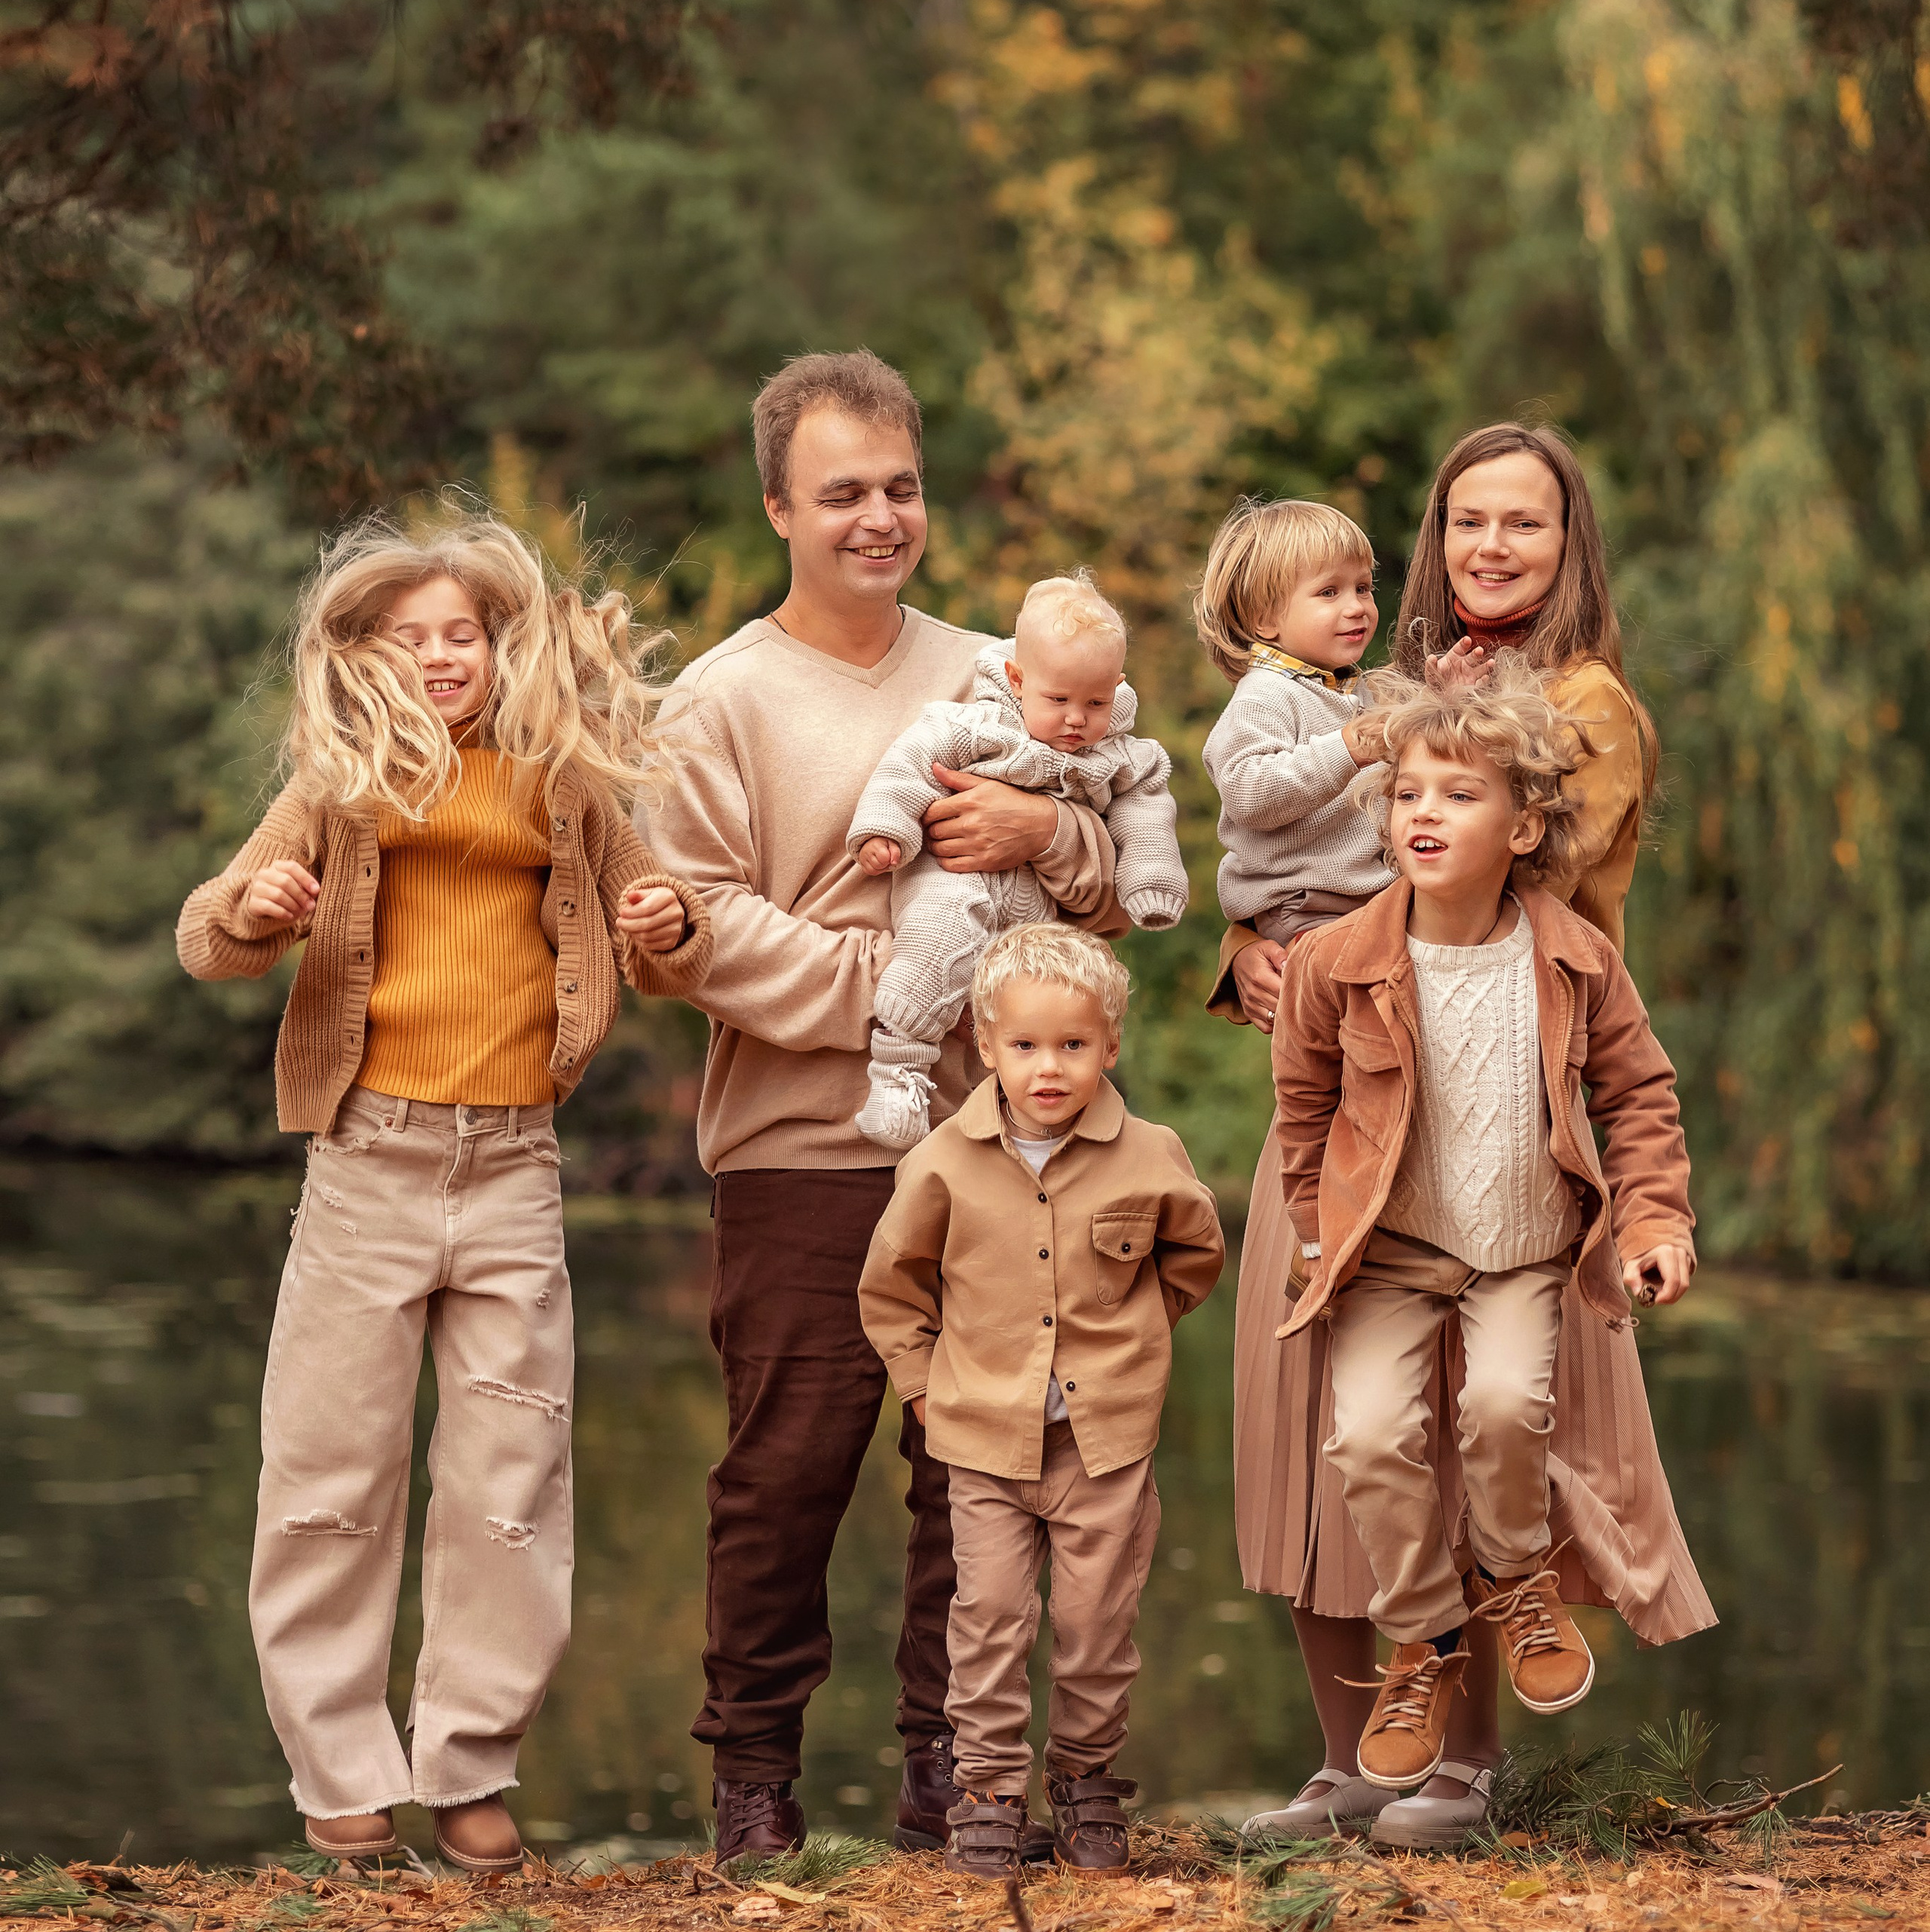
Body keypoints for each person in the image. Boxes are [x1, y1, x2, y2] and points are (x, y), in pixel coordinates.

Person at [642, 351, 1126, 1865]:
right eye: (840, 491)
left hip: (1003, 1148)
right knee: (786, 1467)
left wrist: (1045, 823)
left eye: (899, 488)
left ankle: (952, 1772)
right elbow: (691, 930)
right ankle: (753, 1779)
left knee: (974, 1474)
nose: (876, 517)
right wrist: (899, 993)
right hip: (800, 1147)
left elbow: (1109, 898)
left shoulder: (1004, 674)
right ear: (778, 504)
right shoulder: (713, 701)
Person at [176, 514, 713, 1872]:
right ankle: (340, 1765)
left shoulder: (563, 784)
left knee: (509, 1474)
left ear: (499, 645)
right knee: (329, 1469)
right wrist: (259, 907)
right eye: (409, 638)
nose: (438, 657)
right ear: (369, 656)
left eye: (459, 635)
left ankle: (469, 1759)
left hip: (515, 1163)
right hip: (369, 1157)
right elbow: (210, 933)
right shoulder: (341, 782)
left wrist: (671, 926)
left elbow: (660, 931)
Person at [1218, 423, 1714, 1851]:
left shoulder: (1582, 707)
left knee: (1475, 1435)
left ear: (1573, 547)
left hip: (1505, 1116)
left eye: (1527, 524)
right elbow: (1285, 849)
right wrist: (1251, 942)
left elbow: (1501, 893)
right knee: (1335, 1430)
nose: (1493, 547)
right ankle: (1352, 1759)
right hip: (1343, 1101)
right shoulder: (1373, 679)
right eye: (1468, 521)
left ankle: (1464, 1761)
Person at [1272, 670, 1695, 1790]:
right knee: (1365, 1435)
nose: (1422, 812)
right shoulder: (1336, 962)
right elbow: (1303, 1113)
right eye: (1406, 791)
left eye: (1458, 794)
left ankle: (1515, 1577)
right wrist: (1320, 1233)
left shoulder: (1576, 958)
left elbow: (1639, 1095)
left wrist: (1653, 1218)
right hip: (1391, 1253)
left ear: (1524, 825)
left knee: (1506, 1405)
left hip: (1520, 1251)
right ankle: (1424, 1634)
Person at [856, 925, 1224, 1878]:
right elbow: (892, 1288)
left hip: (1105, 1445)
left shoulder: (1150, 1154)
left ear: (1110, 1044)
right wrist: (922, 1386)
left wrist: (1132, 1340)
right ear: (986, 1046)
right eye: (1024, 1046)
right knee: (985, 1617)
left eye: (1072, 1045)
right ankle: (984, 1794)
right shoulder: (940, 1162)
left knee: (1097, 1623)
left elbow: (1191, 1256)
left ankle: (1088, 1781)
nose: (1048, 1067)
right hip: (980, 1440)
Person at [848, 569, 1186, 1149]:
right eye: (1058, 700)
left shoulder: (1115, 752)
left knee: (1051, 1002)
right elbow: (909, 764)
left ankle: (1037, 1119)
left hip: (1036, 917)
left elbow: (1146, 807)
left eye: (1096, 702)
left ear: (1117, 687)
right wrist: (886, 828)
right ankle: (899, 1071)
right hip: (952, 879)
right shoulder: (973, 725)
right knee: (935, 942)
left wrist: (1151, 875)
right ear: (1017, 678)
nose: (1077, 720)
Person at [1197, 498, 1393, 945]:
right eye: (1330, 593)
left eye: (1363, 588)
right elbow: (1249, 792)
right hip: (1307, 906)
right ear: (1266, 619)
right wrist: (1346, 750)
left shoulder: (1348, 686)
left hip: (1366, 900)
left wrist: (1446, 692)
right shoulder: (1267, 695)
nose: (1357, 606)